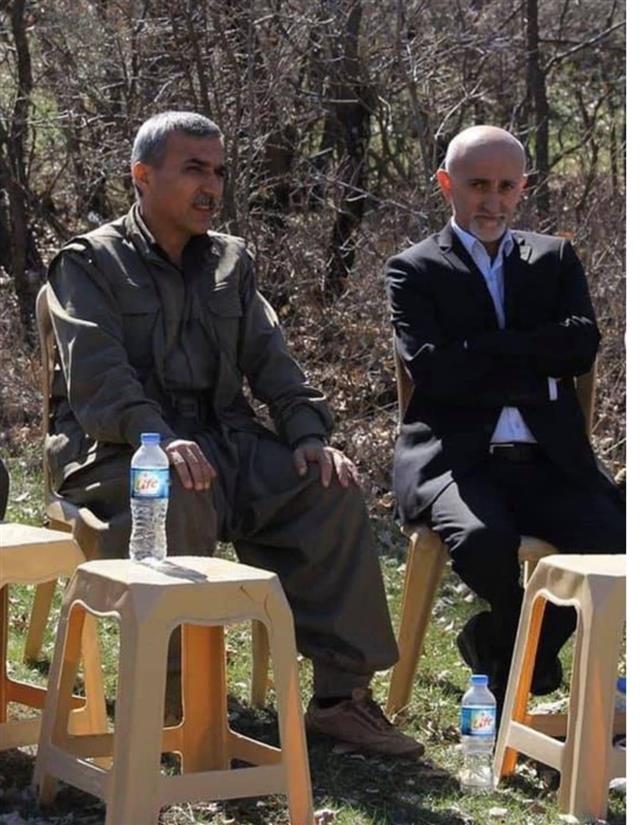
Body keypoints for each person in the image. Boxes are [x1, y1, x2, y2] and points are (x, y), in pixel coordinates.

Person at [45, 111, 423, 759]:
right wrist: (156, 436)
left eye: (219, 172)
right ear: (143, 176)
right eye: (194, 169)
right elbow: (99, 382)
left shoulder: (230, 259)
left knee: (327, 489)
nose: (211, 186)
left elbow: (273, 361)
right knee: (174, 489)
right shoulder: (88, 263)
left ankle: (341, 699)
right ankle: (176, 701)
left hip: (223, 441)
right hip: (116, 450)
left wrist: (307, 433)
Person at [385, 125, 625, 712]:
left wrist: (479, 348)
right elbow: (434, 372)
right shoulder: (413, 269)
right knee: (482, 540)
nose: (492, 201)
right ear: (447, 184)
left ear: (523, 187)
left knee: (615, 539)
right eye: (477, 186)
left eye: (505, 186)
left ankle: (500, 648)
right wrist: (532, 356)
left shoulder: (553, 258)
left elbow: (580, 346)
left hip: (548, 459)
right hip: (455, 460)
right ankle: (524, 655)